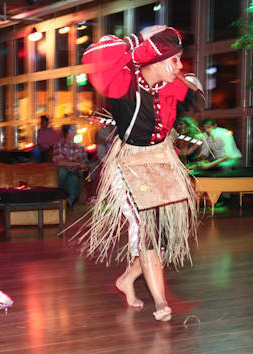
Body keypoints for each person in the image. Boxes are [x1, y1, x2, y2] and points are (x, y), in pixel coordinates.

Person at [77, 26, 199, 321]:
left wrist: (182, 74)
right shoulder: (123, 83)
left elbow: (191, 89)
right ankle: (160, 301)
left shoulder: (169, 85)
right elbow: (96, 57)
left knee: (163, 236)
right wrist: (139, 40)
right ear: (154, 60)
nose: (180, 67)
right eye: (174, 60)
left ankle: (127, 279)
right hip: (129, 166)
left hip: (161, 162)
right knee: (147, 233)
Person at [52, 124, 88, 208]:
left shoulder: (80, 147)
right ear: (67, 133)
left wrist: (78, 165)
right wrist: (76, 164)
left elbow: (83, 163)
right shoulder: (59, 145)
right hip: (63, 172)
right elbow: (60, 162)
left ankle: (68, 203)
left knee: (73, 179)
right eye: (73, 129)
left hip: (73, 171)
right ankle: (58, 193)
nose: (75, 131)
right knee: (63, 171)